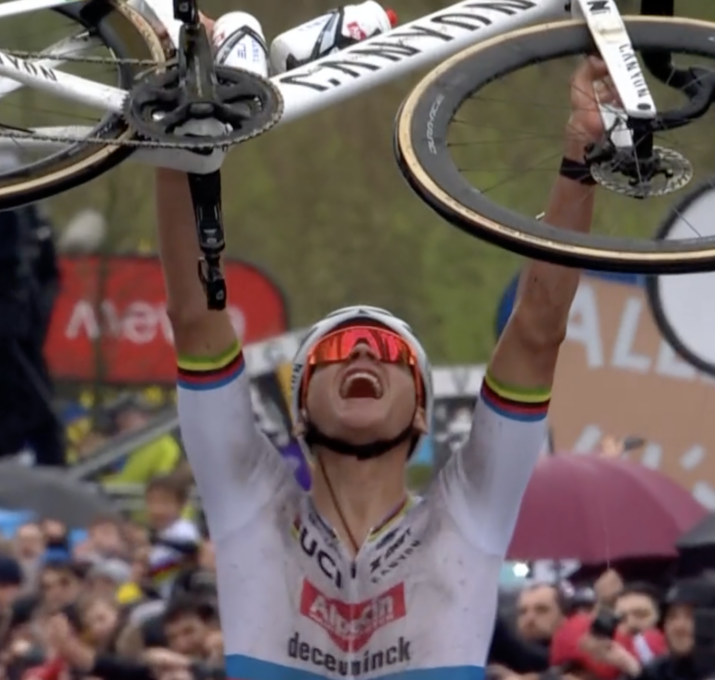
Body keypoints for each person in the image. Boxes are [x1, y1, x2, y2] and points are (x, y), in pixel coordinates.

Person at [113, 44, 608, 680]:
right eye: (336, 351)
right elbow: (194, 318)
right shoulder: (252, 503)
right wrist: (180, 143)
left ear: (423, 415)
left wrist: (581, 154)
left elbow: (538, 330)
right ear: (295, 416)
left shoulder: (468, 513)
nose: (366, 350)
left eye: (392, 352)